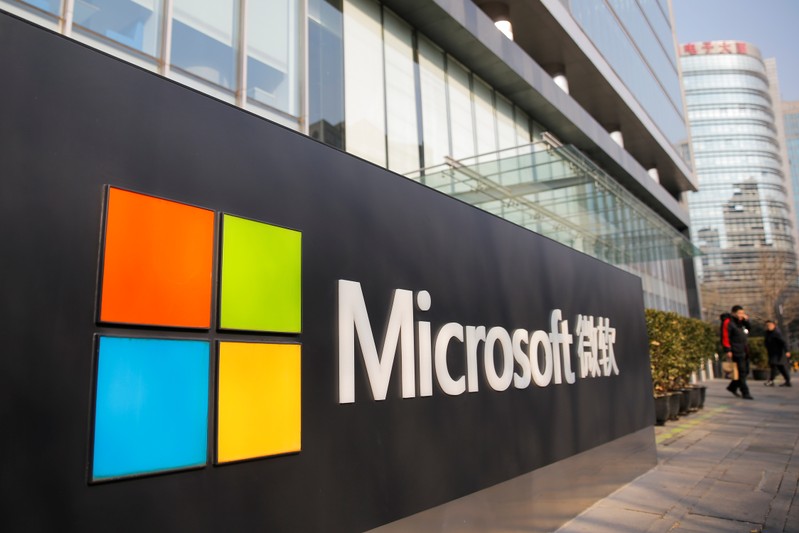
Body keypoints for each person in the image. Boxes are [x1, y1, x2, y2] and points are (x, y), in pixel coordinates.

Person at [723, 305, 753, 399]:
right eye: (739, 313)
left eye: (742, 313)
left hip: (744, 349)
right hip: (735, 350)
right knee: (741, 371)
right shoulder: (728, 322)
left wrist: (746, 321)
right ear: (733, 313)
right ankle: (745, 392)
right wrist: (728, 349)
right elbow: (725, 336)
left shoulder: (741, 322)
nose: (741, 315)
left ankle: (732, 387)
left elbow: (749, 329)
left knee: (745, 371)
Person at [764, 320, 791, 387]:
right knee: (781, 367)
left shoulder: (776, 333)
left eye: (770, 325)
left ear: (774, 325)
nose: (768, 327)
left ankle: (771, 381)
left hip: (778, 353)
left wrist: (787, 351)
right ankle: (787, 381)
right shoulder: (768, 333)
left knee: (774, 366)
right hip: (772, 353)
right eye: (767, 325)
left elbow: (783, 342)